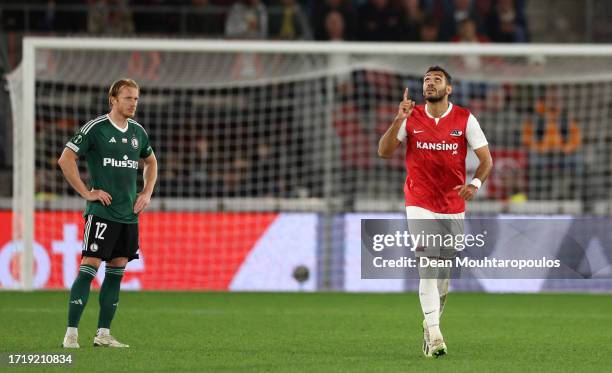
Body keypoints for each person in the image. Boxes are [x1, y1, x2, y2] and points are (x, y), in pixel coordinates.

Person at [377, 66, 492, 357]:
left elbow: (486, 160)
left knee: (443, 275)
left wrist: (475, 183)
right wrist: (397, 119)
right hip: (418, 200)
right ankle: (436, 334)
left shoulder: (464, 119)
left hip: (452, 204)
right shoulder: (411, 117)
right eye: (426, 80)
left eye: (436, 80)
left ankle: (429, 326)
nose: (430, 83)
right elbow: (383, 151)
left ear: (448, 89)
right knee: (427, 263)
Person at [58, 78, 158, 348]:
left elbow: (150, 161)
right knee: (89, 267)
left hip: (128, 215)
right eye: (128, 98)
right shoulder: (96, 128)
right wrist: (86, 192)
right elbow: (65, 158)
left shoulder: (138, 132)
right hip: (102, 213)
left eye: (136, 98)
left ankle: (103, 334)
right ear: (113, 99)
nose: (133, 103)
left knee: (116, 271)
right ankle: (71, 334)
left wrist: (146, 192)